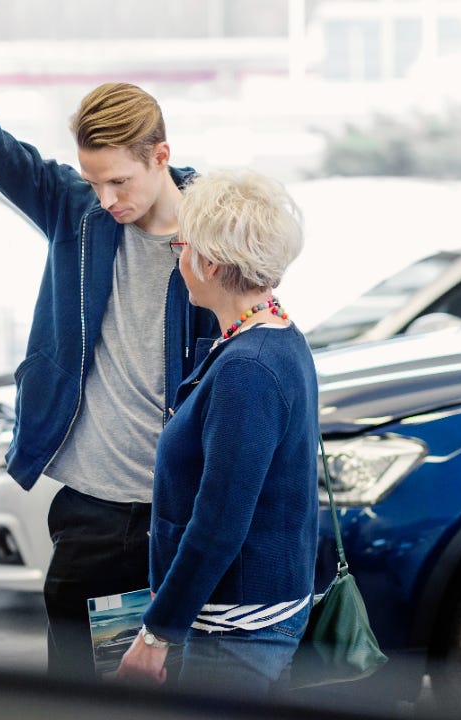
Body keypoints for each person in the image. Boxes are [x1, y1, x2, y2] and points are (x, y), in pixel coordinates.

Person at [0, 75, 218, 679]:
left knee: (177, 686)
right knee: (75, 689)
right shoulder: (78, 212)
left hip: (178, 513)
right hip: (90, 508)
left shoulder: (219, 231)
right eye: (94, 181)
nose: (107, 198)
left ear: (161, 157)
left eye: (120, 181)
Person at [114, 169, 319, 697]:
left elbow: (220, 523)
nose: (178, 258)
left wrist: (157, 635)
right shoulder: (276, 333)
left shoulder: (247, 369)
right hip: (256, 613)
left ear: (206, 263)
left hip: (238, 629)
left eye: (182, 245)